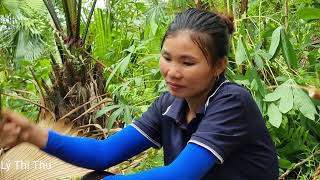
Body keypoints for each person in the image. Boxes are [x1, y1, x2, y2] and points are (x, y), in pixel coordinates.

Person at [0, 8, 278, 180]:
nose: (172, 71)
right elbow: (103, 153)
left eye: (188, 62)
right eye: (167, 58)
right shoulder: (171, 104)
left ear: (219, 66)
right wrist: (31, 134)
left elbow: (179, 176)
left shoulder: (231, 101)